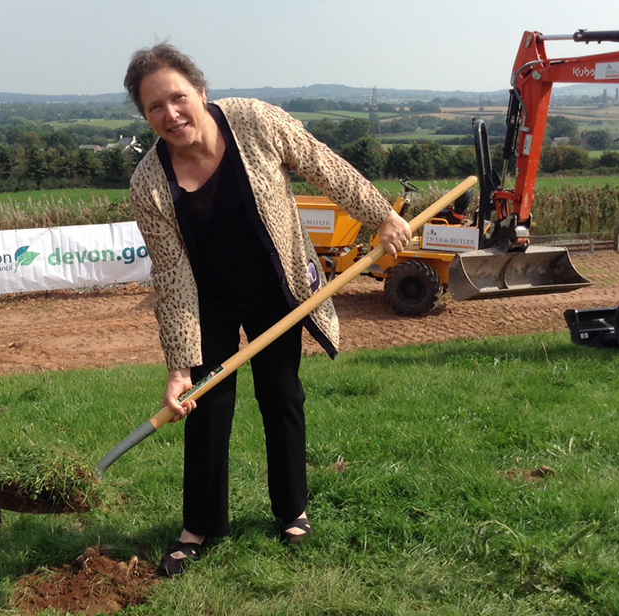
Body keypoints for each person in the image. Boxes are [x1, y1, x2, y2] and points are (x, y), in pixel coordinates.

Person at [124, 44, 412, 577]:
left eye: (178, 98)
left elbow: (322, 163)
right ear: (145, 117)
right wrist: (178, 368)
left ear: (201, 93)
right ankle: (201, 525)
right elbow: (172, 274)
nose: (171, 114)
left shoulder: (254, 122)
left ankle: (291, 509)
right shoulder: (148, 183)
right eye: (155, 108)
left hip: (274, 284)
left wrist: (380, 215)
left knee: (279, 392)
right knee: (205, 405)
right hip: (205, 294)